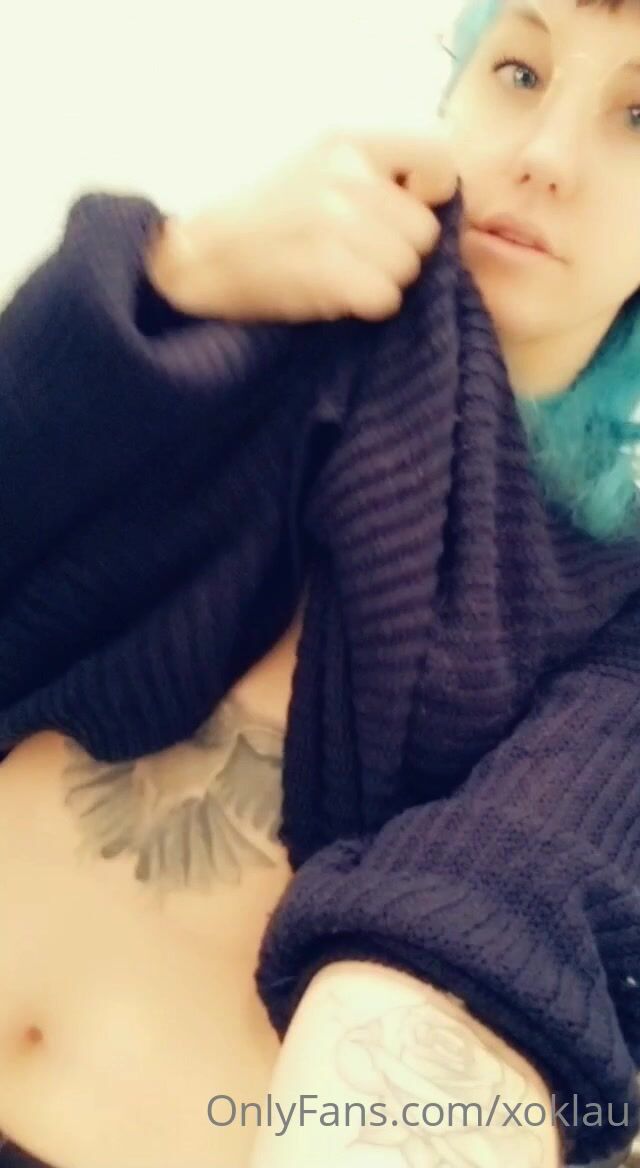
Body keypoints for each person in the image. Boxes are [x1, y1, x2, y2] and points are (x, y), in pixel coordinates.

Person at [1, 0, 640, 1165]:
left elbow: (525, 906)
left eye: (639, 116)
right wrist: (174, 272)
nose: (544, 154)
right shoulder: (231, 329)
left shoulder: (622, 596)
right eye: (518, 69)